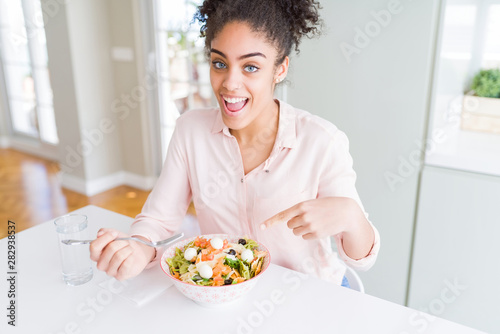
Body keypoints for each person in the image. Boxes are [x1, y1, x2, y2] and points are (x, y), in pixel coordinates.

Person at [90, 0, 380, 287]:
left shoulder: (322, 142)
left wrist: (351, 217)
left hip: (309, 297)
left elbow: (361, 259)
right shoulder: (190, 132)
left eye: (251, 67)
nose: (230, 83)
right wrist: (139, 247)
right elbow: (158, 221)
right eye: (219, 63)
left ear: (280, 69)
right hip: (228, 295)